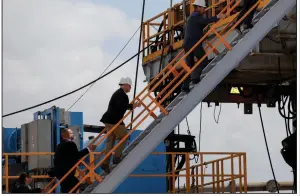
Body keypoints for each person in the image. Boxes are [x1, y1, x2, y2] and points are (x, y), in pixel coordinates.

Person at [181, 0, 226, 92]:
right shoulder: (196, 16)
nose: (204, 10)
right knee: (203, 61)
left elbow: (194, 27)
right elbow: (205, 21)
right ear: (198, 7)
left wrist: (201, 32)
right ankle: (195, 78)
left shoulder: (190, 18)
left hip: (187, 44)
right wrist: (217, 16)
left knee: (190, 65)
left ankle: (185, 86)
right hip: (194, 43)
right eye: (203, 8)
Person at [100, 77, 141, 173]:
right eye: (130, 86)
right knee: (124, 136)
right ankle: (117, 157)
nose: (130, 88)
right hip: (114, 120)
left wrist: (131, 106)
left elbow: (120, 106)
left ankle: (105, 164)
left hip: (108, 120)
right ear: (125, 85)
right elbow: (120, 106)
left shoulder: (118, 93)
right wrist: (132, 106)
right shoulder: (121, 95)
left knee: (111, 141)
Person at [54, 128, 96, 193]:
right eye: (71, 133)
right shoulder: (70, 144)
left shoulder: (59, 145)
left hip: (60, 171)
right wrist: (88, 149)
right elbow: (76, 155)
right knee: (74, 184)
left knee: (66, 187)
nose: (73, 135)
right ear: (65, 135)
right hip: (68, 171)